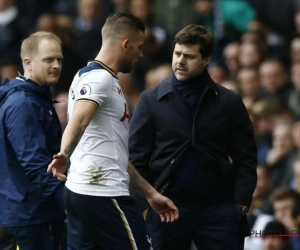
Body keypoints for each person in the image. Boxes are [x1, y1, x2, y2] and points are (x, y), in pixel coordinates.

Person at [47, 13, 178, 250]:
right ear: (125, 44)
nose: (140, 54)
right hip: (104, 194)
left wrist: (149, 193)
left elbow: (113, 152)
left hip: (80, 193)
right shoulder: (100, 79)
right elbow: (78, 121)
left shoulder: (85, 76)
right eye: (138, 47)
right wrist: (64, 153)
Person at [129, 24, 258, 250]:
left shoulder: (229, 102)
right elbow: (135, 158)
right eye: (177, 54)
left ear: (206, 59)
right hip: (166, 206)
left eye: (189, 56)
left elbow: (245, 157)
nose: (180, 61)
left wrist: (239, 205)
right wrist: (146, 204)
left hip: (219, 208)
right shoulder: (150, 101)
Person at [0, 31, 66, 250]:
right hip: (31, 215)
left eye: (59, 59)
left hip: (36, 212)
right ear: (28, 63)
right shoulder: (23, 104)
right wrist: (69, 201)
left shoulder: (36, 97)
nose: (56, 65)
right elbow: (35, 164)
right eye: (49, 59)